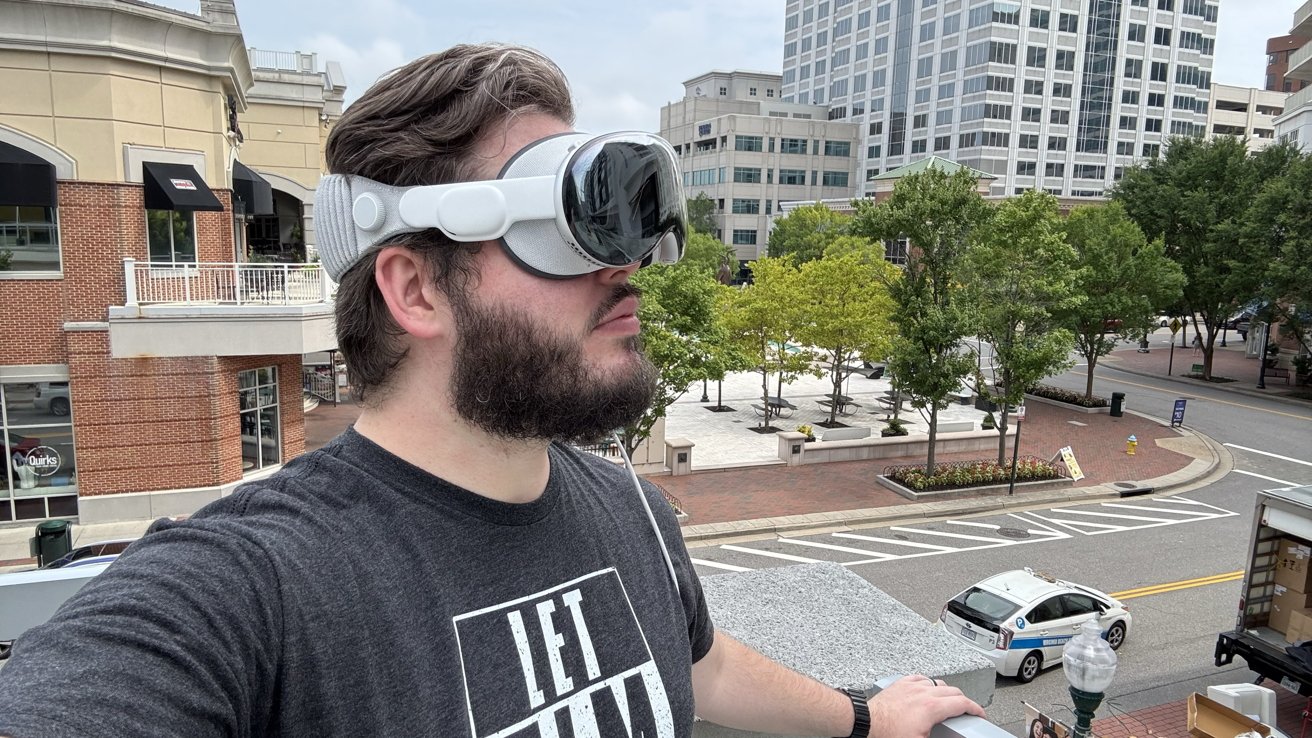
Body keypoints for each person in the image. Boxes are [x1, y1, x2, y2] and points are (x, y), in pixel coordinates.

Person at [0, 44, 983, 738]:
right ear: (417, 287)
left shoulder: (631, 513)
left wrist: (865, 719)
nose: (631, 263)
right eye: (573, 221)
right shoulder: (249, 584)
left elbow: (700, 666)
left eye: (635, 222)